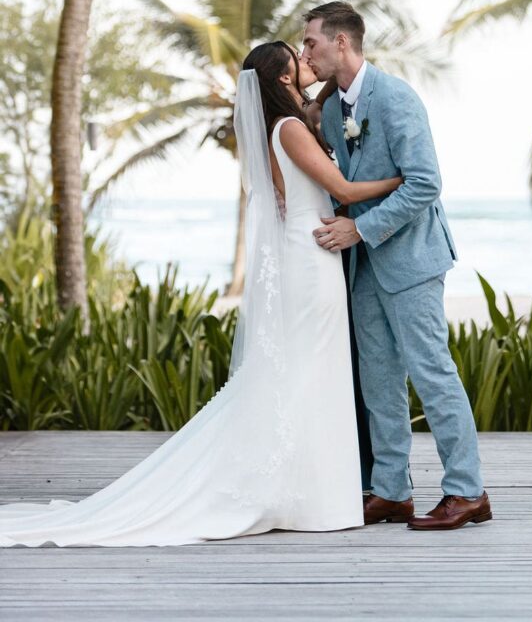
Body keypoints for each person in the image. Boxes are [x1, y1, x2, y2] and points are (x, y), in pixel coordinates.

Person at [0, 41, 402, 547]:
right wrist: (401, 180)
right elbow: (341, 191)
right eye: (296, 60)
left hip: (306, 252)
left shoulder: (276, 127)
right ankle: (312, 496)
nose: (306, 63)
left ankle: (312, 494)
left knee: (308, 370)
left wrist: (324, 89)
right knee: (312, 370)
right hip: (312, 255)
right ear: (281, 79)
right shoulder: (291, 129)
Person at [302, 2, 492, 531]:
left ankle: (467, 491)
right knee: (379, 380)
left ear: (342, 43)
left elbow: (426, 182)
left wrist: (359, 228)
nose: (306, 53)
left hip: (410, 261)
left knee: (433, 373)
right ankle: (391, 491)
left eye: (311, 43)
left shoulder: (396, 97)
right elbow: (347, 181)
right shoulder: (334, 108)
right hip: (365, 267)